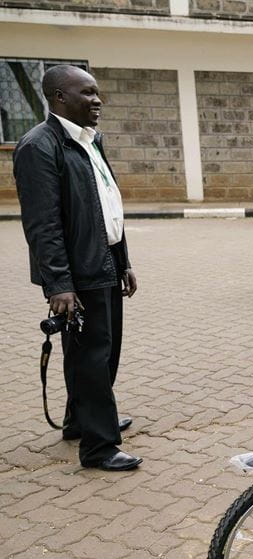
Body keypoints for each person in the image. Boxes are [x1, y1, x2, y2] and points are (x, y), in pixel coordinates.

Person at [15, 65, 141, 471]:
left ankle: (81, 420)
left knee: (101, 354)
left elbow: (107, 204)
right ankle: (99, 446)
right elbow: (42, 224)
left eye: (97, 92)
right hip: (77, 273)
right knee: (92, 355)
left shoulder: (89, 140)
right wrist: (59, 284)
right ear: (59, 98)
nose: (97, 100)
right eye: (87, 93)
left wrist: (123, 261)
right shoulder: (39, 146)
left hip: (103, 262)